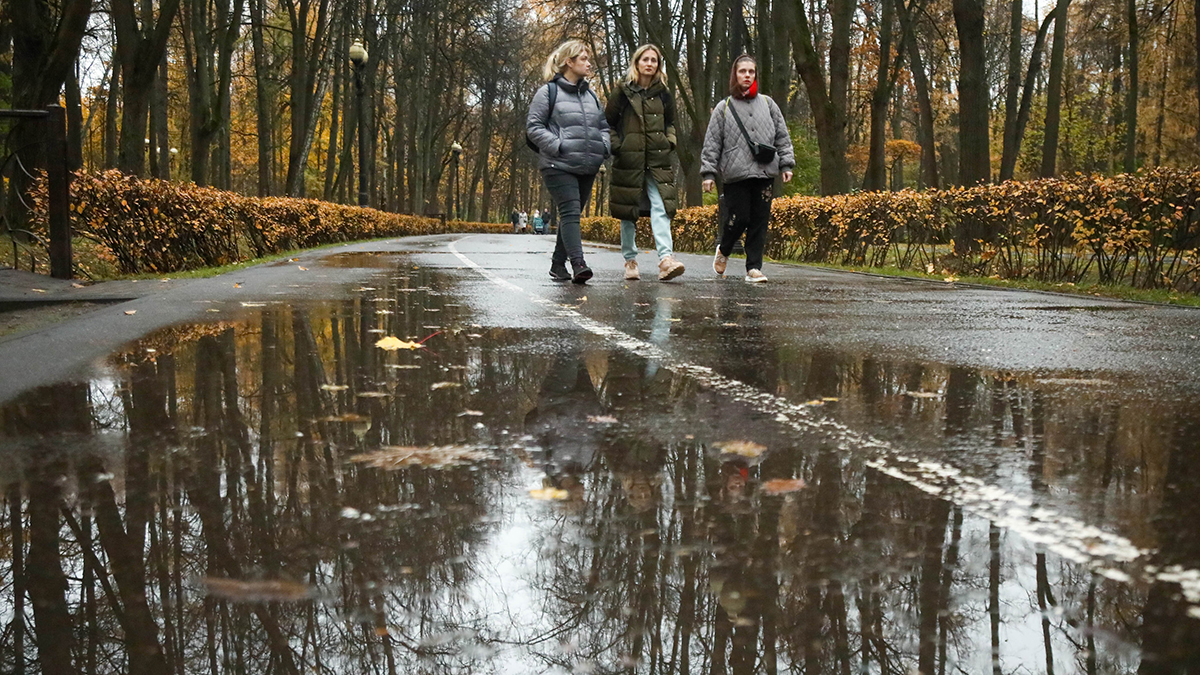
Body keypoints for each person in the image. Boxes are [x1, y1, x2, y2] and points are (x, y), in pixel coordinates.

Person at [701, 54, 795, 283]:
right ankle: (724, 249)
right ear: (735, 74)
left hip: (765, 170)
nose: (747, 75)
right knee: (739, 217)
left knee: (760, 220)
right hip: (736, 173)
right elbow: (712, 142)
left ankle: (754, 268)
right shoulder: (724, 107)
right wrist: (708, 173)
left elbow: (782, 135)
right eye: (742, 71)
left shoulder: (768, 103)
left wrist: (786, 163)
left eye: (751, 72)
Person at [527, 39, 611, 283]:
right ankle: (578, 263)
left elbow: (604, 126)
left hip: (588, 165)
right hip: (558, 165)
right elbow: (533, 127)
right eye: (583, 59)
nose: (588, 63)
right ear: (568, 62)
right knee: (571, 211)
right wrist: (558, 145)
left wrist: (603, 146)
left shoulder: (591, 96)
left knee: (570, 215)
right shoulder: (548, 92)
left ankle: (557, 264)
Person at [605, 43, 684, 282]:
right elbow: (607, 123)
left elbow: (670, 123)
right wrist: (619, 147)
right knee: (629, 212)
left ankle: (665, 260)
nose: (649, 64)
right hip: (629, 160)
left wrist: (669, 142)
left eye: (654, 60)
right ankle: (630, 260)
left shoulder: (664, 93)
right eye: (645, 59)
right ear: (636, 62)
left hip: (657, 161)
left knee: (661, 208)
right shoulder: (622, 91)